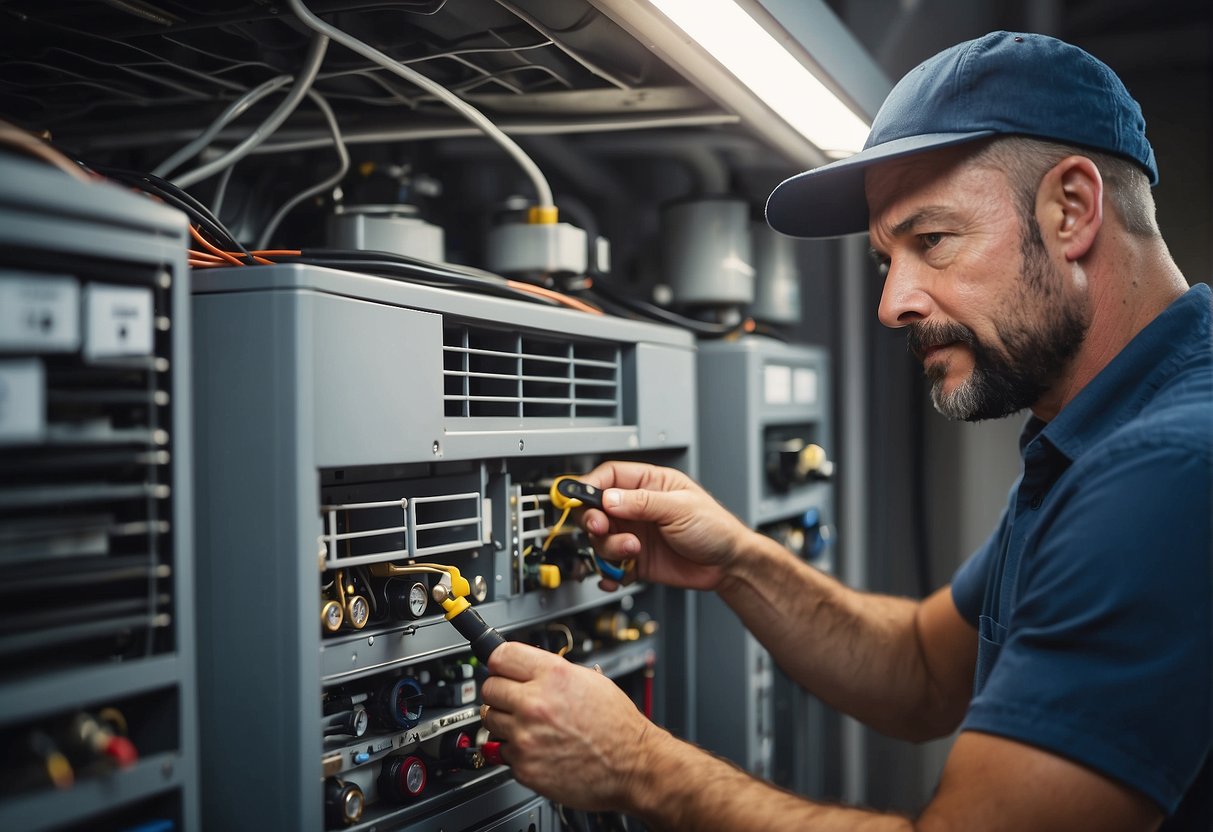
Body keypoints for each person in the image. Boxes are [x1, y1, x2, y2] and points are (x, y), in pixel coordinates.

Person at [479, 30, 1212, 830]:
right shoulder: (1096, 436)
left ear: (1070, 210)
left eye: (931, 241)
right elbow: (922, 671)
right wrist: (736, 558)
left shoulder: (1167, 469)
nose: (892, 303)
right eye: (884, 260)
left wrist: (635, 764)